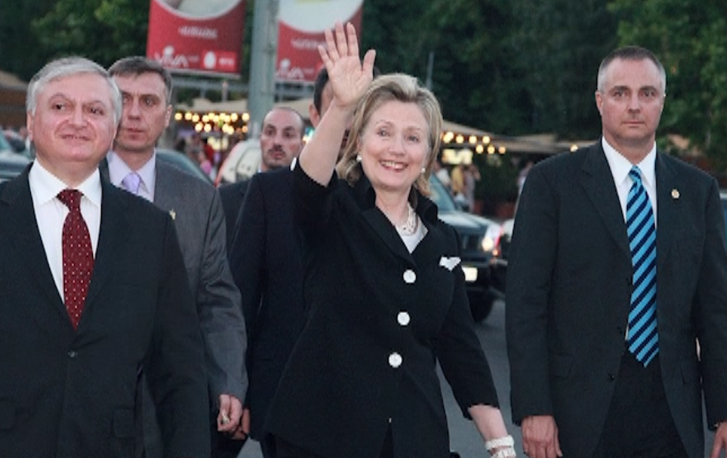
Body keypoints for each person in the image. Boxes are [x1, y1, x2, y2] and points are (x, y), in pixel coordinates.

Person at [264, 22, 514, 458]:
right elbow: (304, 183)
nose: (397, 148)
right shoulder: (332, 210)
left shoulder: (442, 240)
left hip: (414, 442)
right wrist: (342, 105)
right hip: (321, 441)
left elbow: (462, 350)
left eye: (412, 137)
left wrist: (499, 442)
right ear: (359, 141)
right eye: (383, 132)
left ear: (427, 155)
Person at [0, 56, 210, 457]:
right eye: (61, 106)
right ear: (31, 123)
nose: (78, 121)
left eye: (95, 110)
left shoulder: (151, 231)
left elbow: (181, 374)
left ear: (113, 128)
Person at [505, 46, 727, 458]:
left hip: (671, 415)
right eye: (621, 93)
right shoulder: (551, 185)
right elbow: (525, 304)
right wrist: (534, 407)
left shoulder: (698, 192)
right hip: (578, 413)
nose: (634, 106)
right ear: (600, 101)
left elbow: (715, 312)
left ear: (662, 101)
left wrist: (723, 410)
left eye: (647, 93)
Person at [104, 56, 247, 458]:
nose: (133, 113)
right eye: (122, 98)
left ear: (167, 115)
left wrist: (229, 381)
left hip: (168, 409)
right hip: (81, 404)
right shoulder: (75, 184)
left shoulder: (199, 199)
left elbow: (216, 299)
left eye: (148, 102)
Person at [220, 67, 342, 458]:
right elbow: (240, 296)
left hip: (358, 398)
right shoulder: (265, 193)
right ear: (318, 116)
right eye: (340, 108)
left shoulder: (382, 197)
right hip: (281, 393)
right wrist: (240, 387)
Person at [218, 107, 305, 250]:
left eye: (288, 135)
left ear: (302, 145)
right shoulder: (226, 199)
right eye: (270, 132)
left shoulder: (310, 204)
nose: (277, 142)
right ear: (260, 138)